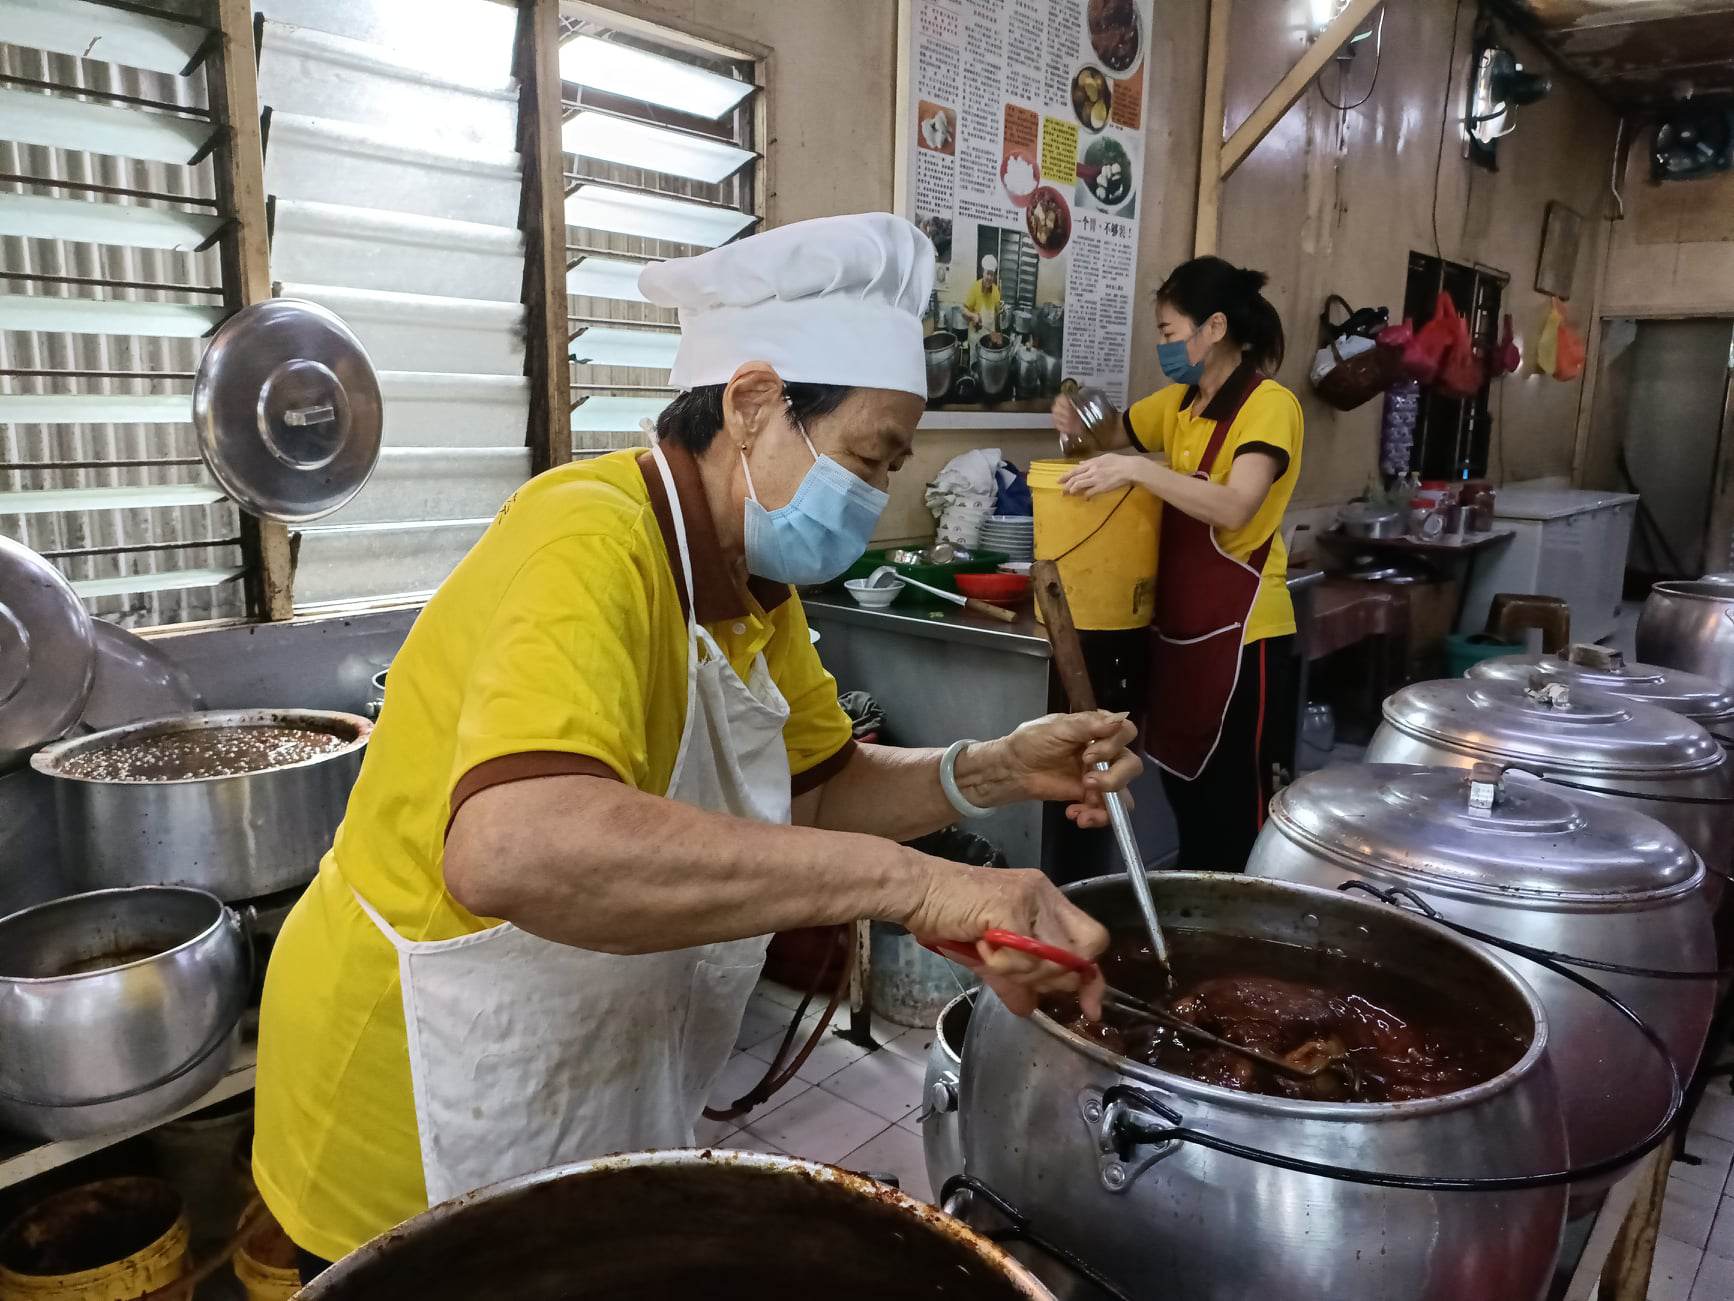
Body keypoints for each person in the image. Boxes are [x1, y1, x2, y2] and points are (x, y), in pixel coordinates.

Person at [254, 214, 1139, 1281]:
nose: (873, 499)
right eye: (868, 457)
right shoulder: (588, 535)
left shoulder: (754, 587)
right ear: (753, 404)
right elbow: (515, 847)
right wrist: (915, 885)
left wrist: (995, 766)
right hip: (411, 1079)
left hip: (576, 1051)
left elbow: (817, 792)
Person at [1051, 255, 1301, 872]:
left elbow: (1236, 506)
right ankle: (1200, 916)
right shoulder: (1180, 405)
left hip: (1245, 637)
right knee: (1190, 796)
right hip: (1183, 634)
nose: (1163, 346)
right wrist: (1076, 419)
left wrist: (1140, 470)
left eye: (1168, 331)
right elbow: (1107, 436)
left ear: (1214, 327)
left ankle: (1244, 921)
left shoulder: (1268, 405)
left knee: (1238, 808)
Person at [963, 253, 1001, 337]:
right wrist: (973, 316)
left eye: (992, 274)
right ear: (982, 272)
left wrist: (998, 332)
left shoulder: (996, 291)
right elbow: (964, 311)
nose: (989, 277)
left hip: (989, 337)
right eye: (987, 273)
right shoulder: (974, 288)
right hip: (975, 336)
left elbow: (997, 315)